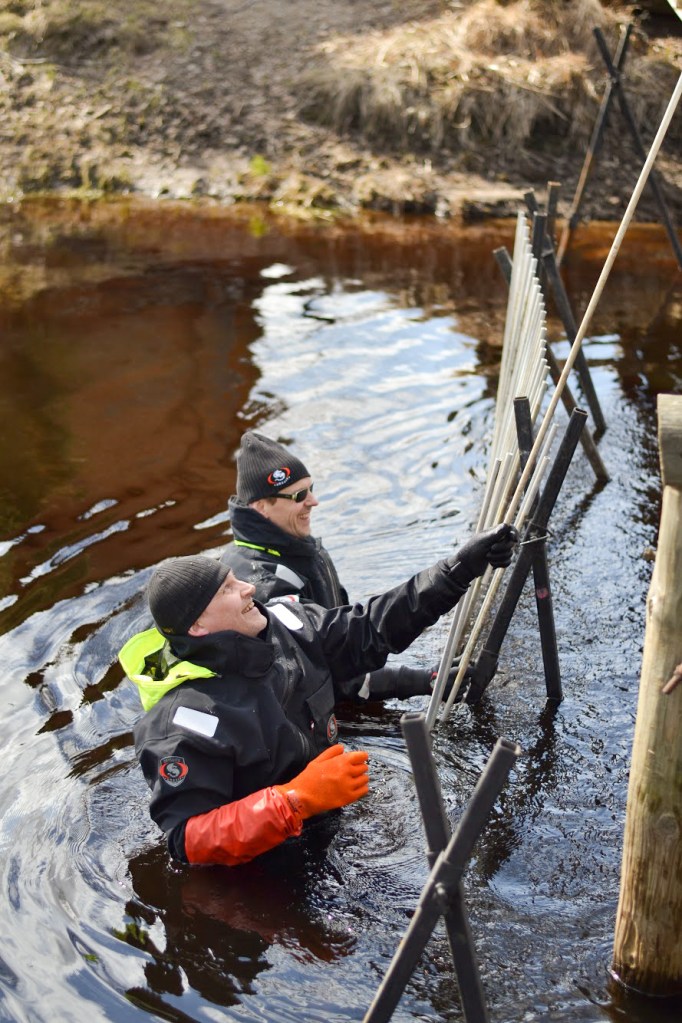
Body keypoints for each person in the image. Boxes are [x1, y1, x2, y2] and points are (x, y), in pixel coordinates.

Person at [119, 522, 518, 868]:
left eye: (235, 579)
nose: (249, 588)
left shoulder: (287, 625)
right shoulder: (179, 722)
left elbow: (371, 628)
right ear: (199, 627)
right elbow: (187, 840)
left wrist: (458, 570)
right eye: (227, 589)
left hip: (324, 817)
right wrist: (298, 798)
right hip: (263, 875)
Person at [220, 430, 443, 694]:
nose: (313, 501)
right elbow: (331, 668)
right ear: (261, 507)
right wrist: (423, 681)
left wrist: (430, 677)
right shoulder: (261, 585)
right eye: (298, 496)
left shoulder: (296, 544)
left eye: (311, 489)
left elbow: (344, 629)